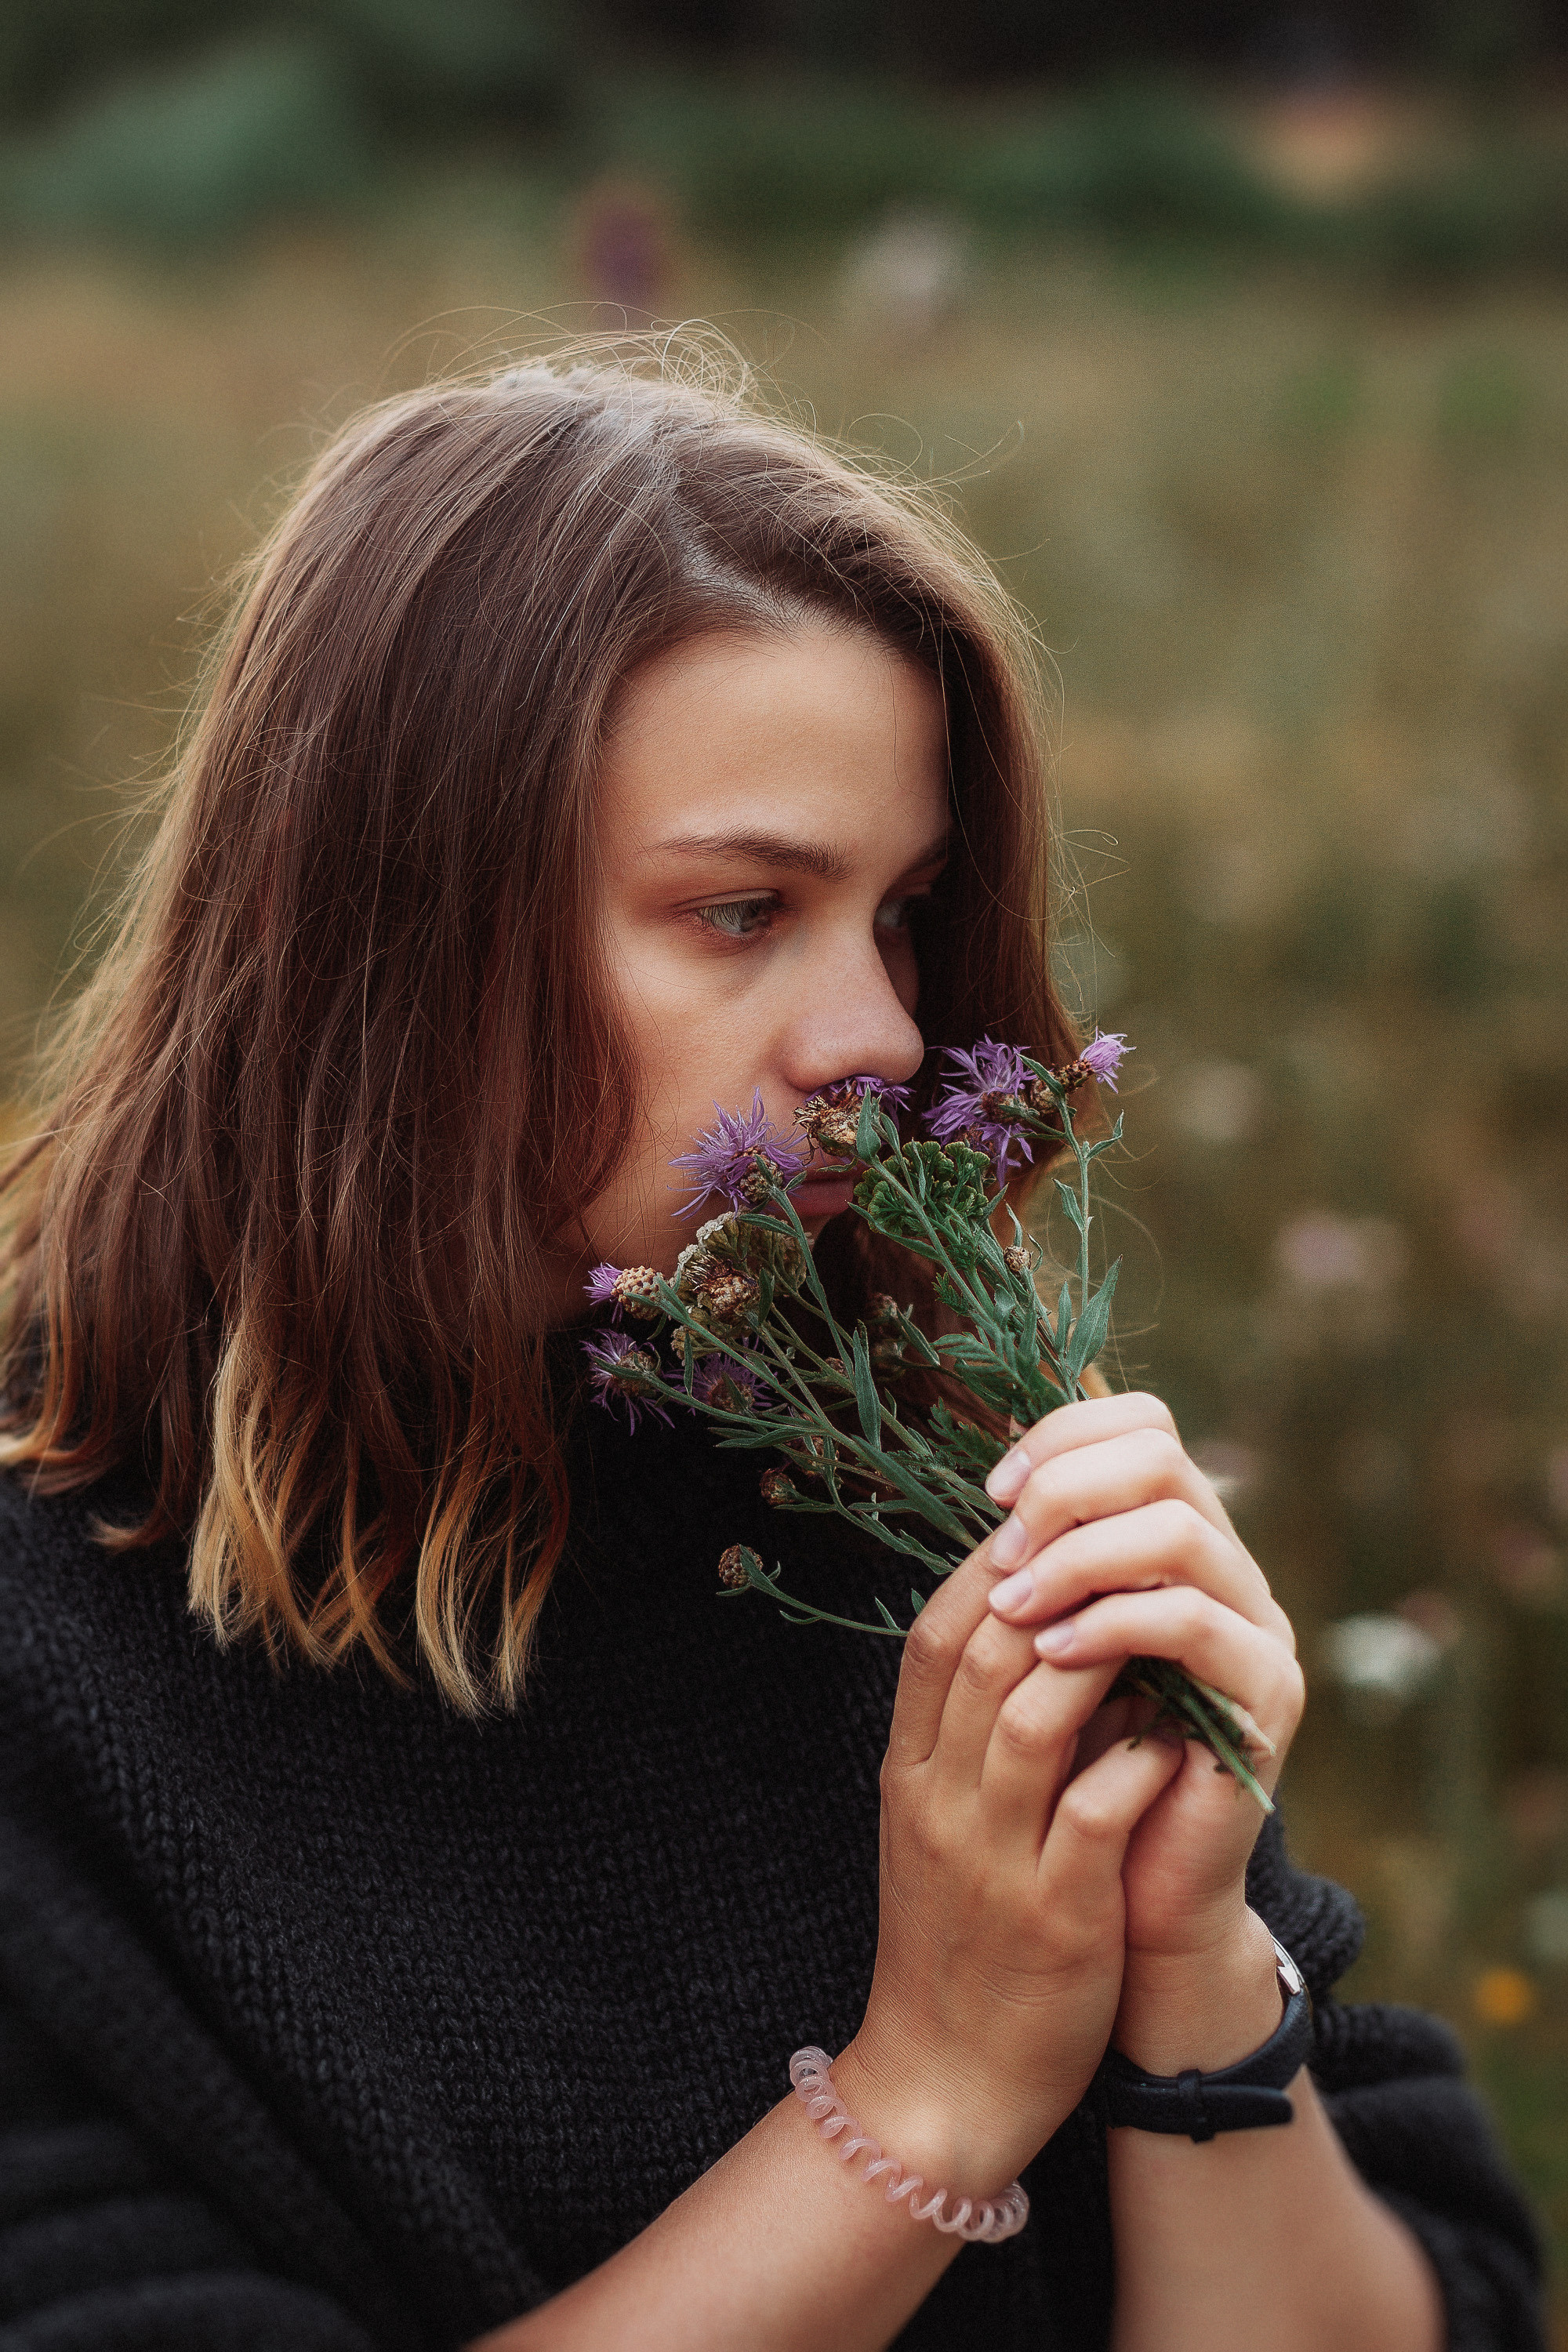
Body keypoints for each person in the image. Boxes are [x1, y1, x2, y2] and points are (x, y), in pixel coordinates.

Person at [0, 340, 1542, 2352]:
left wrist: (1193, 1967)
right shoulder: (55, 1656)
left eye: (901, 915)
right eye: (741, 912)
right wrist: (931, 2093)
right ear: (388, 940)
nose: (880, 1040)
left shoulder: (921, 1498)